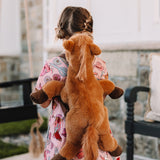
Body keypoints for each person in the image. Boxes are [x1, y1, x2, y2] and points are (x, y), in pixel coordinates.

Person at [34, 6, 121, 160]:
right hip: (96, 135)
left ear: (62, 35)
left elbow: (44, 103)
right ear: (90, 33)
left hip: (64, 137)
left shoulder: (52, 65)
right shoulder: (100, 64)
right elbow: (100, 98)